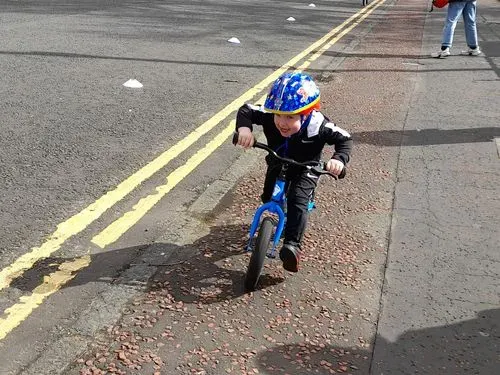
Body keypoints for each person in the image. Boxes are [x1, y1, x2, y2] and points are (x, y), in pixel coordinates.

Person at [234, 72, 353, 272]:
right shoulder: (271, 114)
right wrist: (244, 130)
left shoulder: (319, 125)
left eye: (290, 117)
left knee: (298, 200)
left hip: (307, 168)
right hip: (277, 161)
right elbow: (246, 110)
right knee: (268, 195)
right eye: (278, 115)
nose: (281, 122)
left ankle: (292, 246)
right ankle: (273, 217)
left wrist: (337, 160)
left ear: (306, 113)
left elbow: (345, 139)